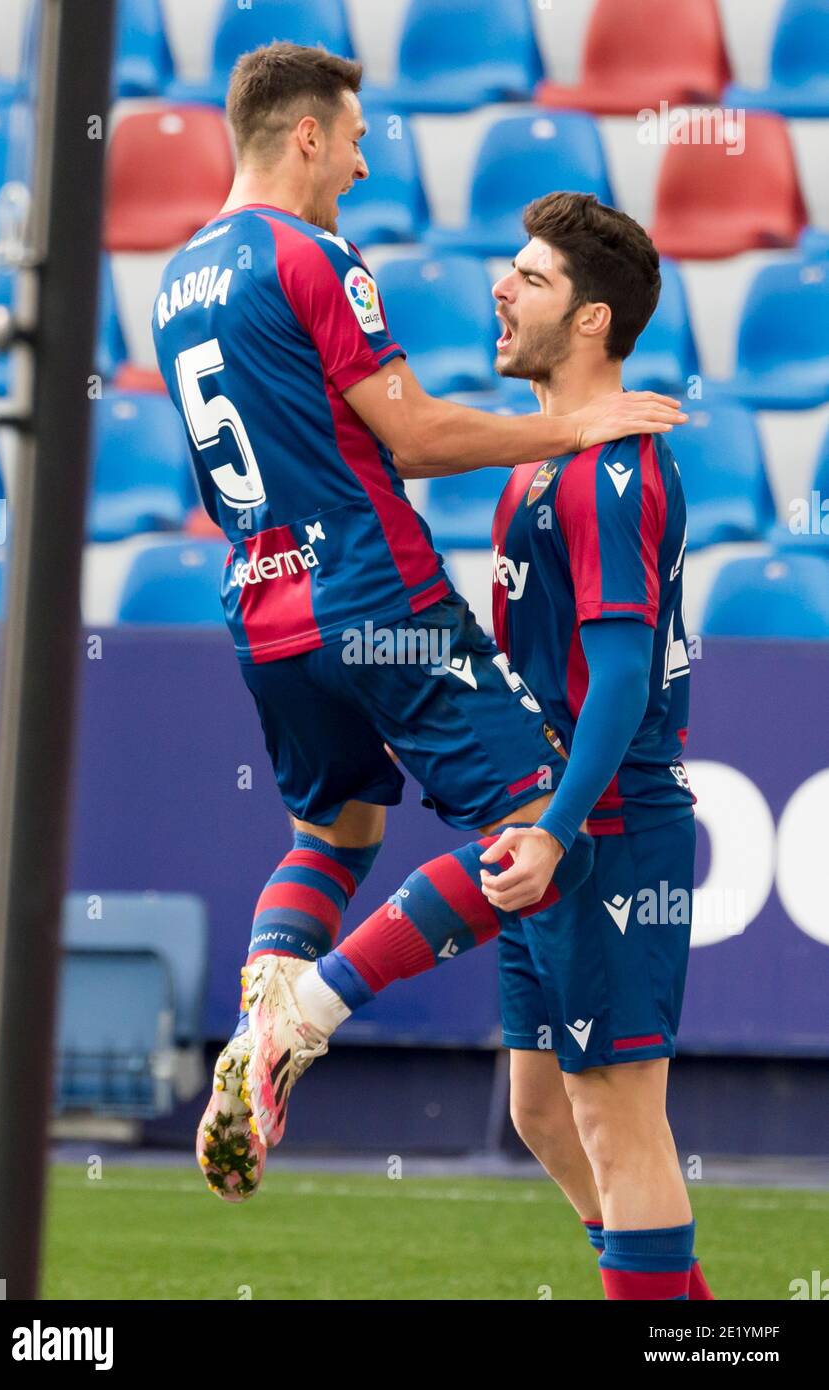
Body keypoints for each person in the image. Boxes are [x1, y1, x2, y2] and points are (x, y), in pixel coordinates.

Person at [151, 41, 684, 1205]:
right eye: (349, 137)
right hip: (373, 595)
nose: (358, 159)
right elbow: (417, 440)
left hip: (262, 611)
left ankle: (265, 1001)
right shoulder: (310, 254)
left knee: (336, 829)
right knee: (547, 836)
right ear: (303, 134)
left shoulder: (173, 277)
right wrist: (568, 431)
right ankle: (305, 1015)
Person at [258, 191, 711, 1300]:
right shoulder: (538, 459)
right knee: (544, 1108)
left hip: (605, 823)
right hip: (560, 812)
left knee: (618, 1120)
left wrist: (554, 829)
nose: (498, 287)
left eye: (532, 277)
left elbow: (616, 680)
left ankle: (299, 1017)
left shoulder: (612, 474)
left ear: (595, 321)